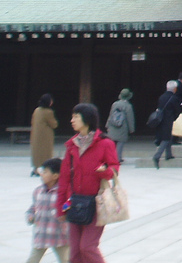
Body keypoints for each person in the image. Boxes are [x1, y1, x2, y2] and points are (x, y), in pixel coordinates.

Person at [56, 103, 119, 263]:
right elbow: (63, 179)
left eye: (76, 117)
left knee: (87, 247)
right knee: (75, 253)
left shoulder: (105, 143)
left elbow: (114, 169)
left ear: (87, 119)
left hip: (97, 203)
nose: (72, 120)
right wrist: (60, 208)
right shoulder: (71, 145)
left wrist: (103, 171)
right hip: (74, 202)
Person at [26, 156, 69, 263]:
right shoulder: (38, 191)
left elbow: (68, 209)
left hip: (59, 235)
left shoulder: (63, 193)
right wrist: (30, 216)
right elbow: (33, 207)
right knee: (32, 260)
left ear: (55, 176)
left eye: (45, 172)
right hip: (41, 234)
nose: (42, 174)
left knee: (66, 259)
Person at [152, 81, 182, 168]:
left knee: (168, 136)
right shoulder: (174, 98)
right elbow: (177, 110)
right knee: (166, 139)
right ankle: (157, 156)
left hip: (160, 120)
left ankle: (169, 154)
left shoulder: (161, 97)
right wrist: (175, 117)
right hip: (168, 120)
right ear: (175, 89)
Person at [30, 94, 58, 178]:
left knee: (36, 152)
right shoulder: (48, 112)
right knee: (46, 153)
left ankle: (35, 169)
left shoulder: (37, 110)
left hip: (35, 135)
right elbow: (54, 124)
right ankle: (46, 169)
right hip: (45, 136)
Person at [104, 89, 135, 162]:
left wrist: (107, 125)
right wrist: (131, 129)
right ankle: (118, 158)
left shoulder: (115, 104)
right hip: (122, 127)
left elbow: (111, 115)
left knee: (112, 144)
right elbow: (130, 118)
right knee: (120, 143)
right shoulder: (128, 106)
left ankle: (110, 158)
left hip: (112, 125)